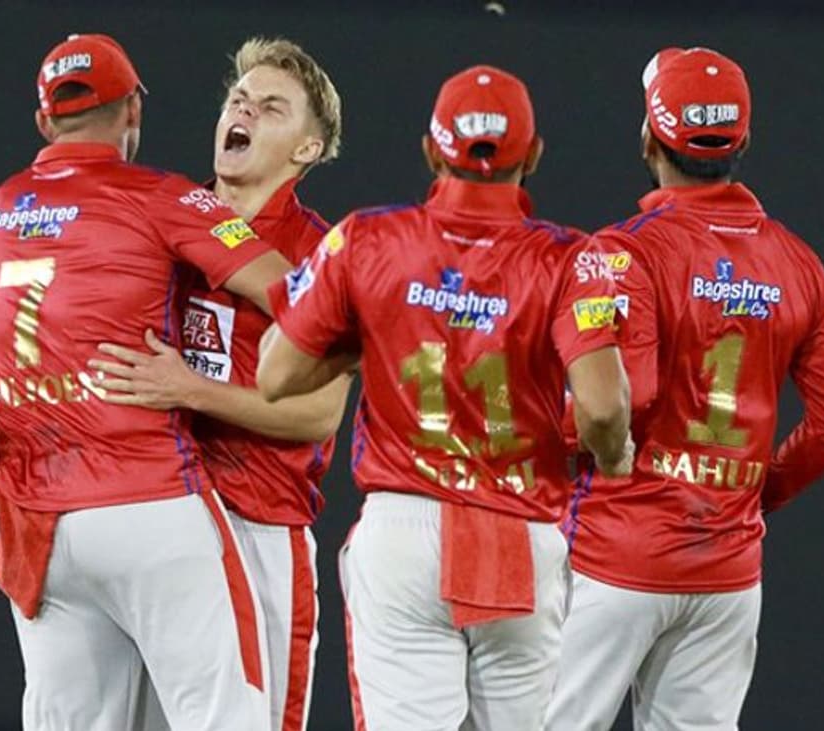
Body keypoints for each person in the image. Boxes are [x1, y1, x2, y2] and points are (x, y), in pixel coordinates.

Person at [256, 65, 633, 730]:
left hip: (403, 526)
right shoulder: (572, 258)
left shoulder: (366, 239)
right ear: (535, 154)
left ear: (432, 150)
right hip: (519, 530)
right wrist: (613, 453)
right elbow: (603, 409)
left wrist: (371, 343)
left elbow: (275, 375)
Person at [0, 32, 292, 731]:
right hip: (148, 505)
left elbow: (8, 359)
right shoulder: (163, 197)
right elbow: (298, 295)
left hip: (37, 527)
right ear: (133, 110)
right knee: (227, 718)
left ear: (45, 120)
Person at [546, 47, 824, 731]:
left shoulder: (621, 251)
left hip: (616, 557)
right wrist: (752, 491)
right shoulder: (798, 262)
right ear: (742, 140)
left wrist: (551, 435)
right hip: (726, 573)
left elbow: (625, 398)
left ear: (648, 138)